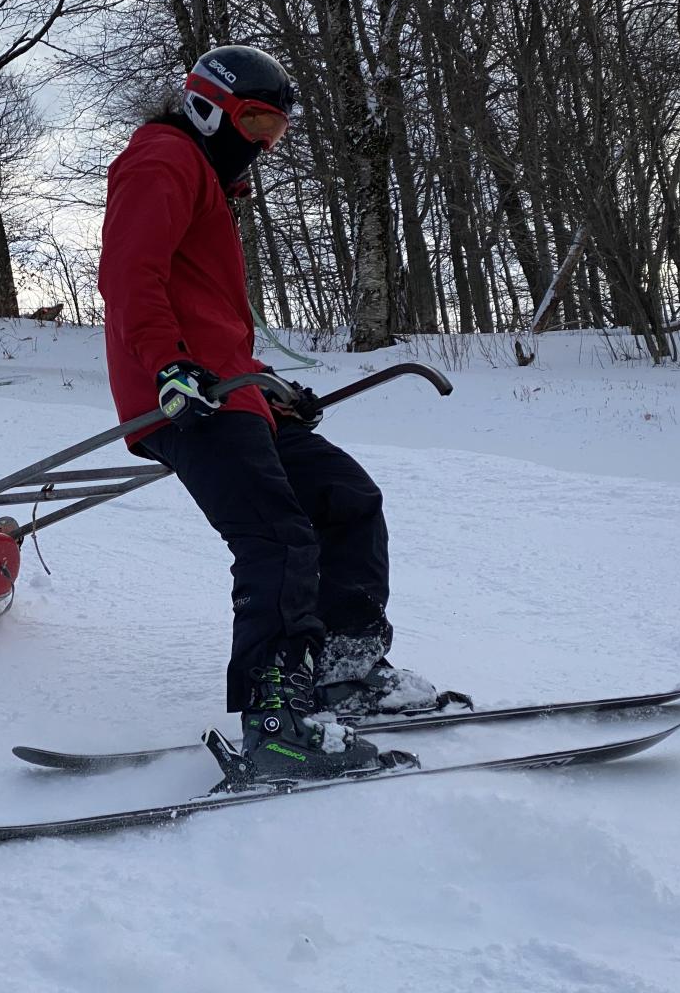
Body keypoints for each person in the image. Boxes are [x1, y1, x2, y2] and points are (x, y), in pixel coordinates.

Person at [98, 45, 441, 784]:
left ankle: (344, 670)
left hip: (229, 389)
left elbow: (207, 314)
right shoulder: (162, 158)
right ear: (207, 104)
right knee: (278, 540)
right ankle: (277, 724)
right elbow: (130, 275)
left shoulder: (205, 182)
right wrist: (167, 365)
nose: (261, 141)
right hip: (185, 397)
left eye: (276, 131)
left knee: (344, 500)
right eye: (254, 120)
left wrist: (265, 384)